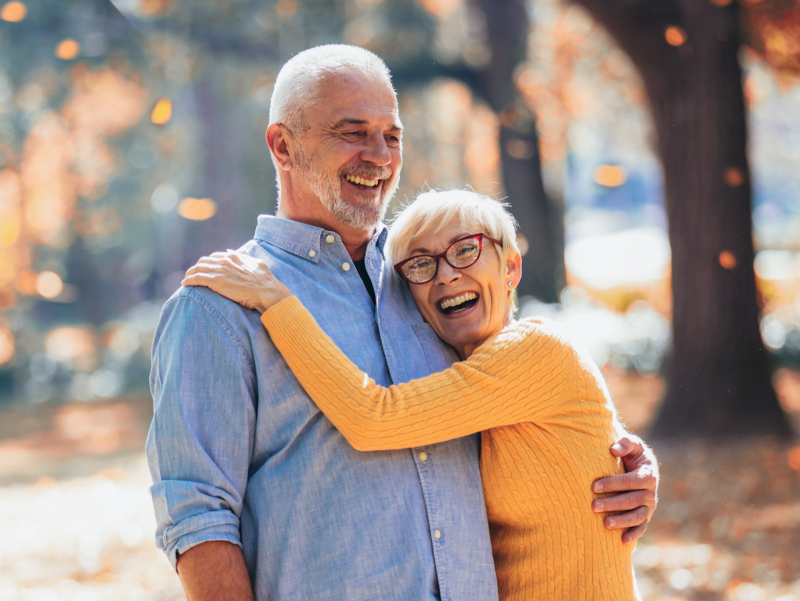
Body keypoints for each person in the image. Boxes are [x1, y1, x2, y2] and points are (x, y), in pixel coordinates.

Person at [147, 44, 658, 601]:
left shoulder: (427, 278)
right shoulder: (219, 306)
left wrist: (621, 463)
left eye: (392, 135)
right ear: (283, 146)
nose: (380, 155)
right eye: (352, 132)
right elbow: (198, 518)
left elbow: (520, 406)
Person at [183, 190, 642, 600]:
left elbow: (373, 417)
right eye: (422, 265)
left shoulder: (538, 350)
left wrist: (275, 301)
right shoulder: (459, 376)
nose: (445, 275)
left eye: (466, 250)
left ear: (510, 267)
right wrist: (640, 468)